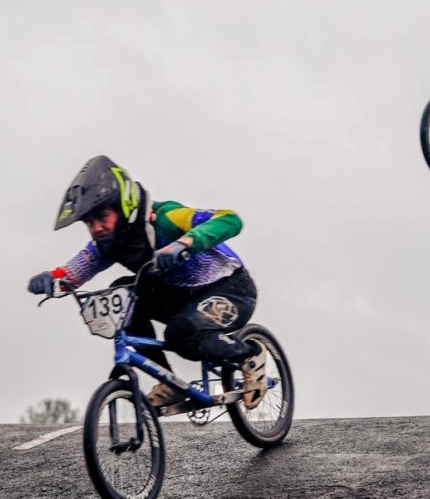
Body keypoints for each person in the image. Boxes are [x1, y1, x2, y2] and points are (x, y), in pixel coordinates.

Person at [26, 155, 268, 410]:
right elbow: (75, 271)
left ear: (123, 206)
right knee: (122, 298)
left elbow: (230, 219)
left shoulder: (165, 217)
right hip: (181, 298)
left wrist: (184, 243)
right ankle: (169, 382)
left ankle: (250, 353)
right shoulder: (108, 243)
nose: (96, 227)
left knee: (181, 335)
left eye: (102, 216)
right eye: (89, 222)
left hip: (230, 289)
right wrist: (51, 279)